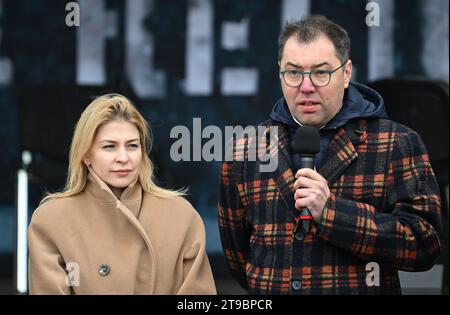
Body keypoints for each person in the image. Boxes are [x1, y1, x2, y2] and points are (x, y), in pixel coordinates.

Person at [218, 15, 442, 294]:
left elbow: (425, 245)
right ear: (280, 74)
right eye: (293, 72)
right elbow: (239, 257)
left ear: (346, 73)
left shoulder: (396, 142)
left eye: (321, 72)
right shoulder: (245, 150)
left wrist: (332, 212)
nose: (306, 86)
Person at [28, 94, 217, 295]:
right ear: (86, 154)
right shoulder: (52, 220)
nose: (123, 158)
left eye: (132, 146)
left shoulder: (180, 215)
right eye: (109, 146)